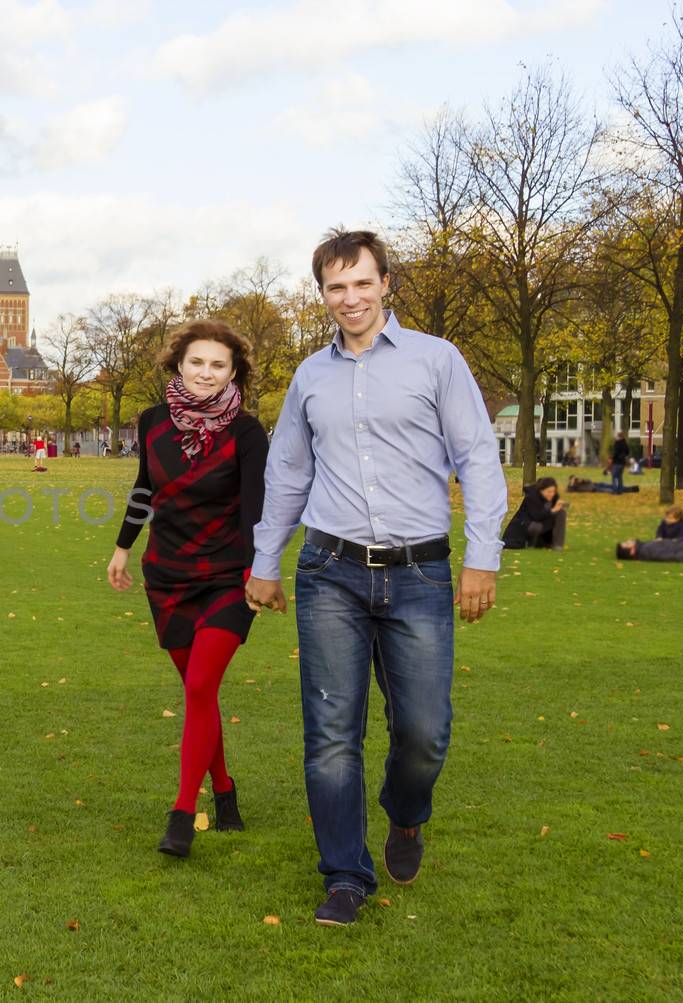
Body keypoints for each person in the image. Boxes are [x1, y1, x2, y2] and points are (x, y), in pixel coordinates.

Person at [245, 229, 506, 927]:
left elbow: (477, 456)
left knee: (424, 732)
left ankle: (407, 811)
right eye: (336, 286)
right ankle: (345, 876)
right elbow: (288, 473)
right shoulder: (310, 376)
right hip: (330, 571)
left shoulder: (436, 360)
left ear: (386, 282)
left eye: (362, 282)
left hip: (419, 572)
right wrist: (265, 560)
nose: (350, 297)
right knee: (332, 733)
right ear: (323, 294)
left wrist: (484, 554)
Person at [106, 319, 267, 861]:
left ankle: (181, 814)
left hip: (227, 577)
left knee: (199, 686)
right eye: (197, 362)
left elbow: (254, 509)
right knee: (200, 693)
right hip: (166, 575)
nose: (206, 373)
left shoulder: (246, 432)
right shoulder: (151, 423)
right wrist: (123, 548)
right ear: (178, 364)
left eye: (218, 365)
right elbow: (143, 490)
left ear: (233, 372)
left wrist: (255, 575)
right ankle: (224, 792)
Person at [502, 477, 567, 550]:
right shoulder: (531, 498)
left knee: (561, 512)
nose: (551, 494)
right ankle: (532, 543)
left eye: (553, 491)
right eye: (549, 492)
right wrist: (552, 510)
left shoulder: (554, 497)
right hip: (527, 524)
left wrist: (560, 506)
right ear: (541, 490)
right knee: (536, 527)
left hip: (542, 523)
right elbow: (536, 516)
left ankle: (557, 545)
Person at [616, 538, 683, 563]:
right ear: (631, 551)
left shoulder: (644, 547)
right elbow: (674, 556)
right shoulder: (648, 551)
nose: (628, 541)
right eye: (626, 544)